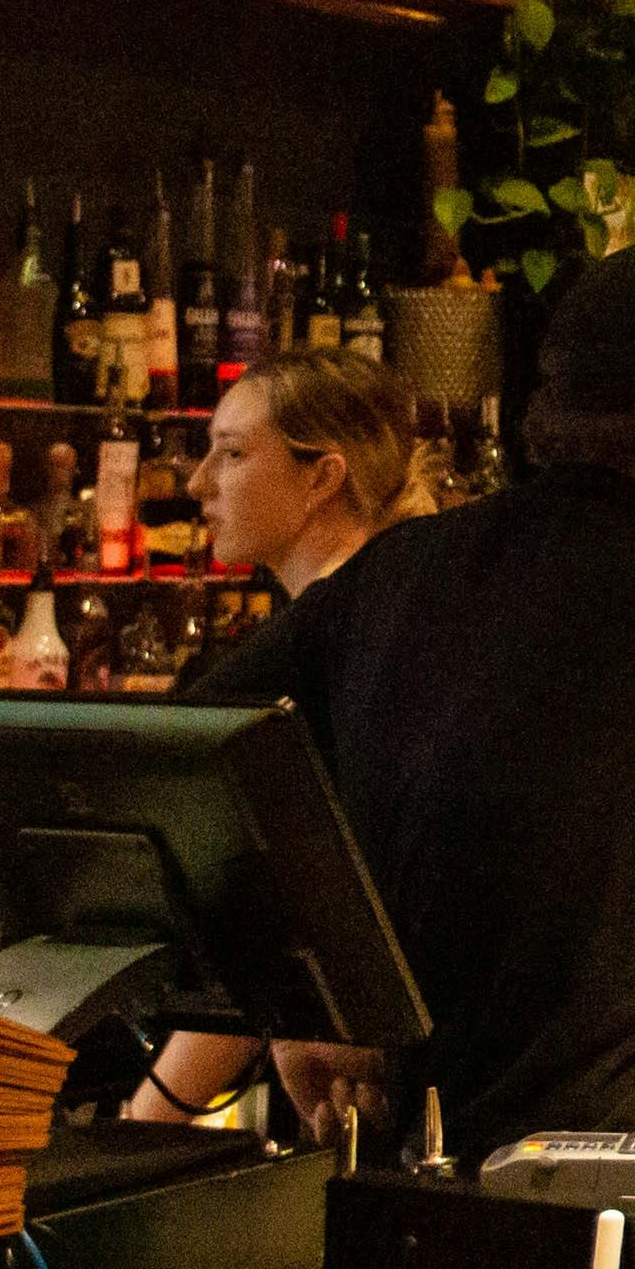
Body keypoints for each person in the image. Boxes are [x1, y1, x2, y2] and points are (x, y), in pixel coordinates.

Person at [173, 239, 635, 1148]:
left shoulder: (399, 571)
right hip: (633, 1200)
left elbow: (182, 756)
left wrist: (311, 996)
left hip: (401, 1186)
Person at [124, 348, 430, 1126]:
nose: (198, 484)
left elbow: (269, 916)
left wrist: (145, 1124)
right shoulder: (389, 619)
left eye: (231, 454)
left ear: (322, 477)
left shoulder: (333, 657)